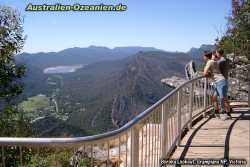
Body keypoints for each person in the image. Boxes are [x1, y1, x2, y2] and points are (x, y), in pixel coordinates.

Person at [203, 51, 229, 120]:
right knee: (214, 97)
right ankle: (218, 112)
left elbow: (204, 72)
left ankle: (223, 113)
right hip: (219, 81)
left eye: (204, 56)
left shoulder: (210, 62)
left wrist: (208, 74)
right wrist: (210, 74)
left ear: (206, 57)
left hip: (220, 81)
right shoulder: (214, 62)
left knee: (221, 97)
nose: (203, 58)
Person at [216, 49, 232, 118]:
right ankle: (227, 110)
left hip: (221, 81)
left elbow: (216, 70)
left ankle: (226, 112)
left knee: (223, 97)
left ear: (218, 53)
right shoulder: (227, 60)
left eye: (216, 53)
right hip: (225, 79)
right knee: (222, 97)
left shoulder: (220, 61)